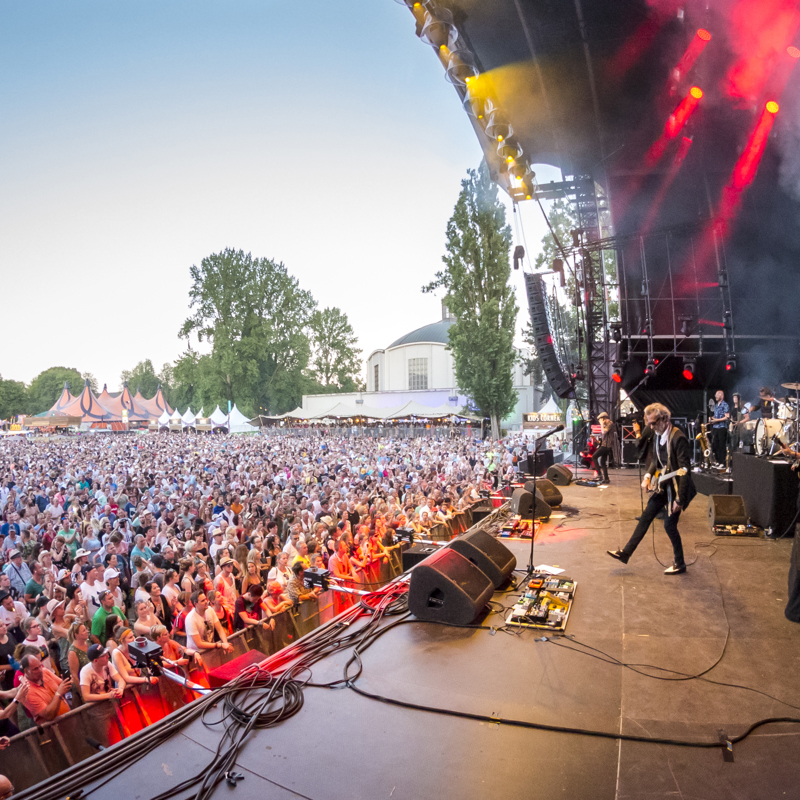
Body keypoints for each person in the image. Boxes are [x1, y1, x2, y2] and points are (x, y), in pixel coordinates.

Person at [608, 402, 696, 574]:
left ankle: (680, 563)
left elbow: (685, 471)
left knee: (669, 526)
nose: (650, 426)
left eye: (653, 423)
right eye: (649, 422)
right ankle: (626, 553)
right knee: (646, 517)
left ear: (664, 419)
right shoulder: (658, 435)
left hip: (677, 488)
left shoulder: (678, 438)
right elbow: (656, 461)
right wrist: (648, 477)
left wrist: (680, 499)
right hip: (663, 486)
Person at [18, 654, 71, 723]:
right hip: (54, 729)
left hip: (69, 718)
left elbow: (63, 686)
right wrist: (59, 693)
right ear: (26, 671)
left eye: (40, 666)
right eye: (35, 669)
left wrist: (68, 681)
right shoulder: (27, 691)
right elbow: (49, 715)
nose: (40, 670)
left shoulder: (45, 671)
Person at [67, 621, 91, 705]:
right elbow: (75, 676)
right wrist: (82, 694)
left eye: (86, 629)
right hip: (83, 686)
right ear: (76, 635)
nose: (87, 631)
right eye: (84, 630)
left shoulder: (88, 643)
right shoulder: (73, 652)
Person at [592, 412, 619, 484]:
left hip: (606, 446)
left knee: (594, 457)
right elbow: (603, 437)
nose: (600, 422)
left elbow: (604, 432)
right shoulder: (605, 425)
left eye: (600, 420)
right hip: (604, 445)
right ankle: (606, 479)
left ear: (603, 419)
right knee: (602, 462)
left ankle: (599, 475)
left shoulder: (610, 423)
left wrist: (601, 424)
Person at [709, 390, 730, 467]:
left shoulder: (725, 405)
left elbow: (727, 417)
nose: (715, 396)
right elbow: (716, 416)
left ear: (721, 395)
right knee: (715, 444)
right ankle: (717, 460)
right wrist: (712, 419)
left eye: (717, 395)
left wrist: (716, 420)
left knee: (722, 445)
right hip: (715, 427)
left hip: (722, 427)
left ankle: (722, 462)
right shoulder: (715, 406)